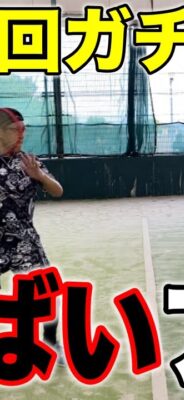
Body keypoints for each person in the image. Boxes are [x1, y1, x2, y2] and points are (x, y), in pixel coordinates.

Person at [0, 107, 64, 364]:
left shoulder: (28, 162)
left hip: (24, 240)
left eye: (24, 129)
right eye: (16, 129)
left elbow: (57, 190)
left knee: (47, 292)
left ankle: (50, 342)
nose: (22, 134)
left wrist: (40, 176)